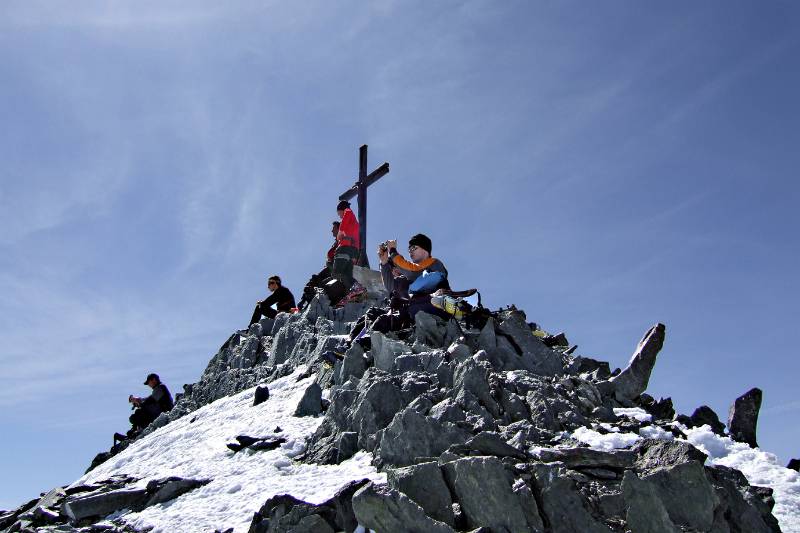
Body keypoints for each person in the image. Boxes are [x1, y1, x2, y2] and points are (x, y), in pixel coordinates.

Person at [382, 233, 450, 319]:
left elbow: (413, 271)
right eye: (409, 249)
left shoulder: (434, 263)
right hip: (416, 314)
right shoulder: (410, 277)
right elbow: (391, 287)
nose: (410, 251)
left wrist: (392, 251)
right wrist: (384, 263)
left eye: (413, 248)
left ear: (425, 249)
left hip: (437, 310)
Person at [115, 373, 174, 443]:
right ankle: (134, 432)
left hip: (163, 412)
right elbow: (149, 399)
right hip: (161, 412)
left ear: (154, 380)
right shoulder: (159, 388)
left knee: (139, 413)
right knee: (139, 413)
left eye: (149, 382)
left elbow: (150, 400)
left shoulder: (160, 387)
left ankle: (134, 434)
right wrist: (139, 401)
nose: (149, 385)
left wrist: (140, 403)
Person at [298, 221, 340, 309]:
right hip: (330, 266)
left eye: (333, 229)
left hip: (334, 267)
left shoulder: (341, 241)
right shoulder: (336, 242)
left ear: (338, 229)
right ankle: (305, 299)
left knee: (317, 279)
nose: (332, 231)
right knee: (315, 279)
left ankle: (307, 299)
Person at [331, 200, 360, 288]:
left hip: (345, 248)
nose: (339, 216)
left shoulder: (348, 212)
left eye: (339, 213)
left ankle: (337, 291)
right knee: (347, 275)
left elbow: (346, 216)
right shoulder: (354, 222)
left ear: (341, 209)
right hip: (353, 251)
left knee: (336, 273)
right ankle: (355, 289)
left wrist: (340, 232)